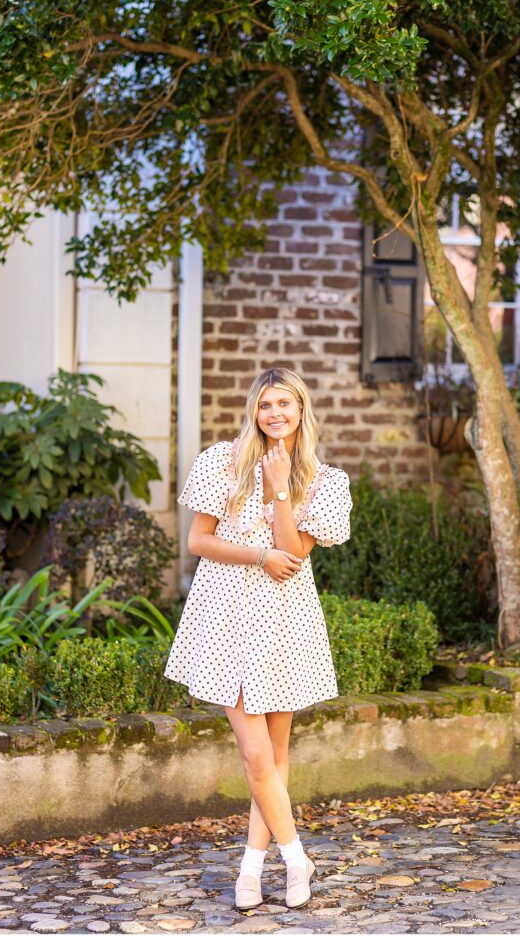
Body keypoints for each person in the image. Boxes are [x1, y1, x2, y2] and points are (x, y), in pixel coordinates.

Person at [164, 366, 352, 911]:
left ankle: (250, 869)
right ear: (254, 409)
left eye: (285, 405)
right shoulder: (221, 462)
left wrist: (278, 494)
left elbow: (291, 558)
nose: (275, 414)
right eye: (266, 404)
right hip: (224, 611)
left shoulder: (325, 479)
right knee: (253, 750)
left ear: (301, 411)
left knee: (273, 751)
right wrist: (255, 553)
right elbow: (200, 540)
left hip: (284, 618)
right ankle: (296, 858)